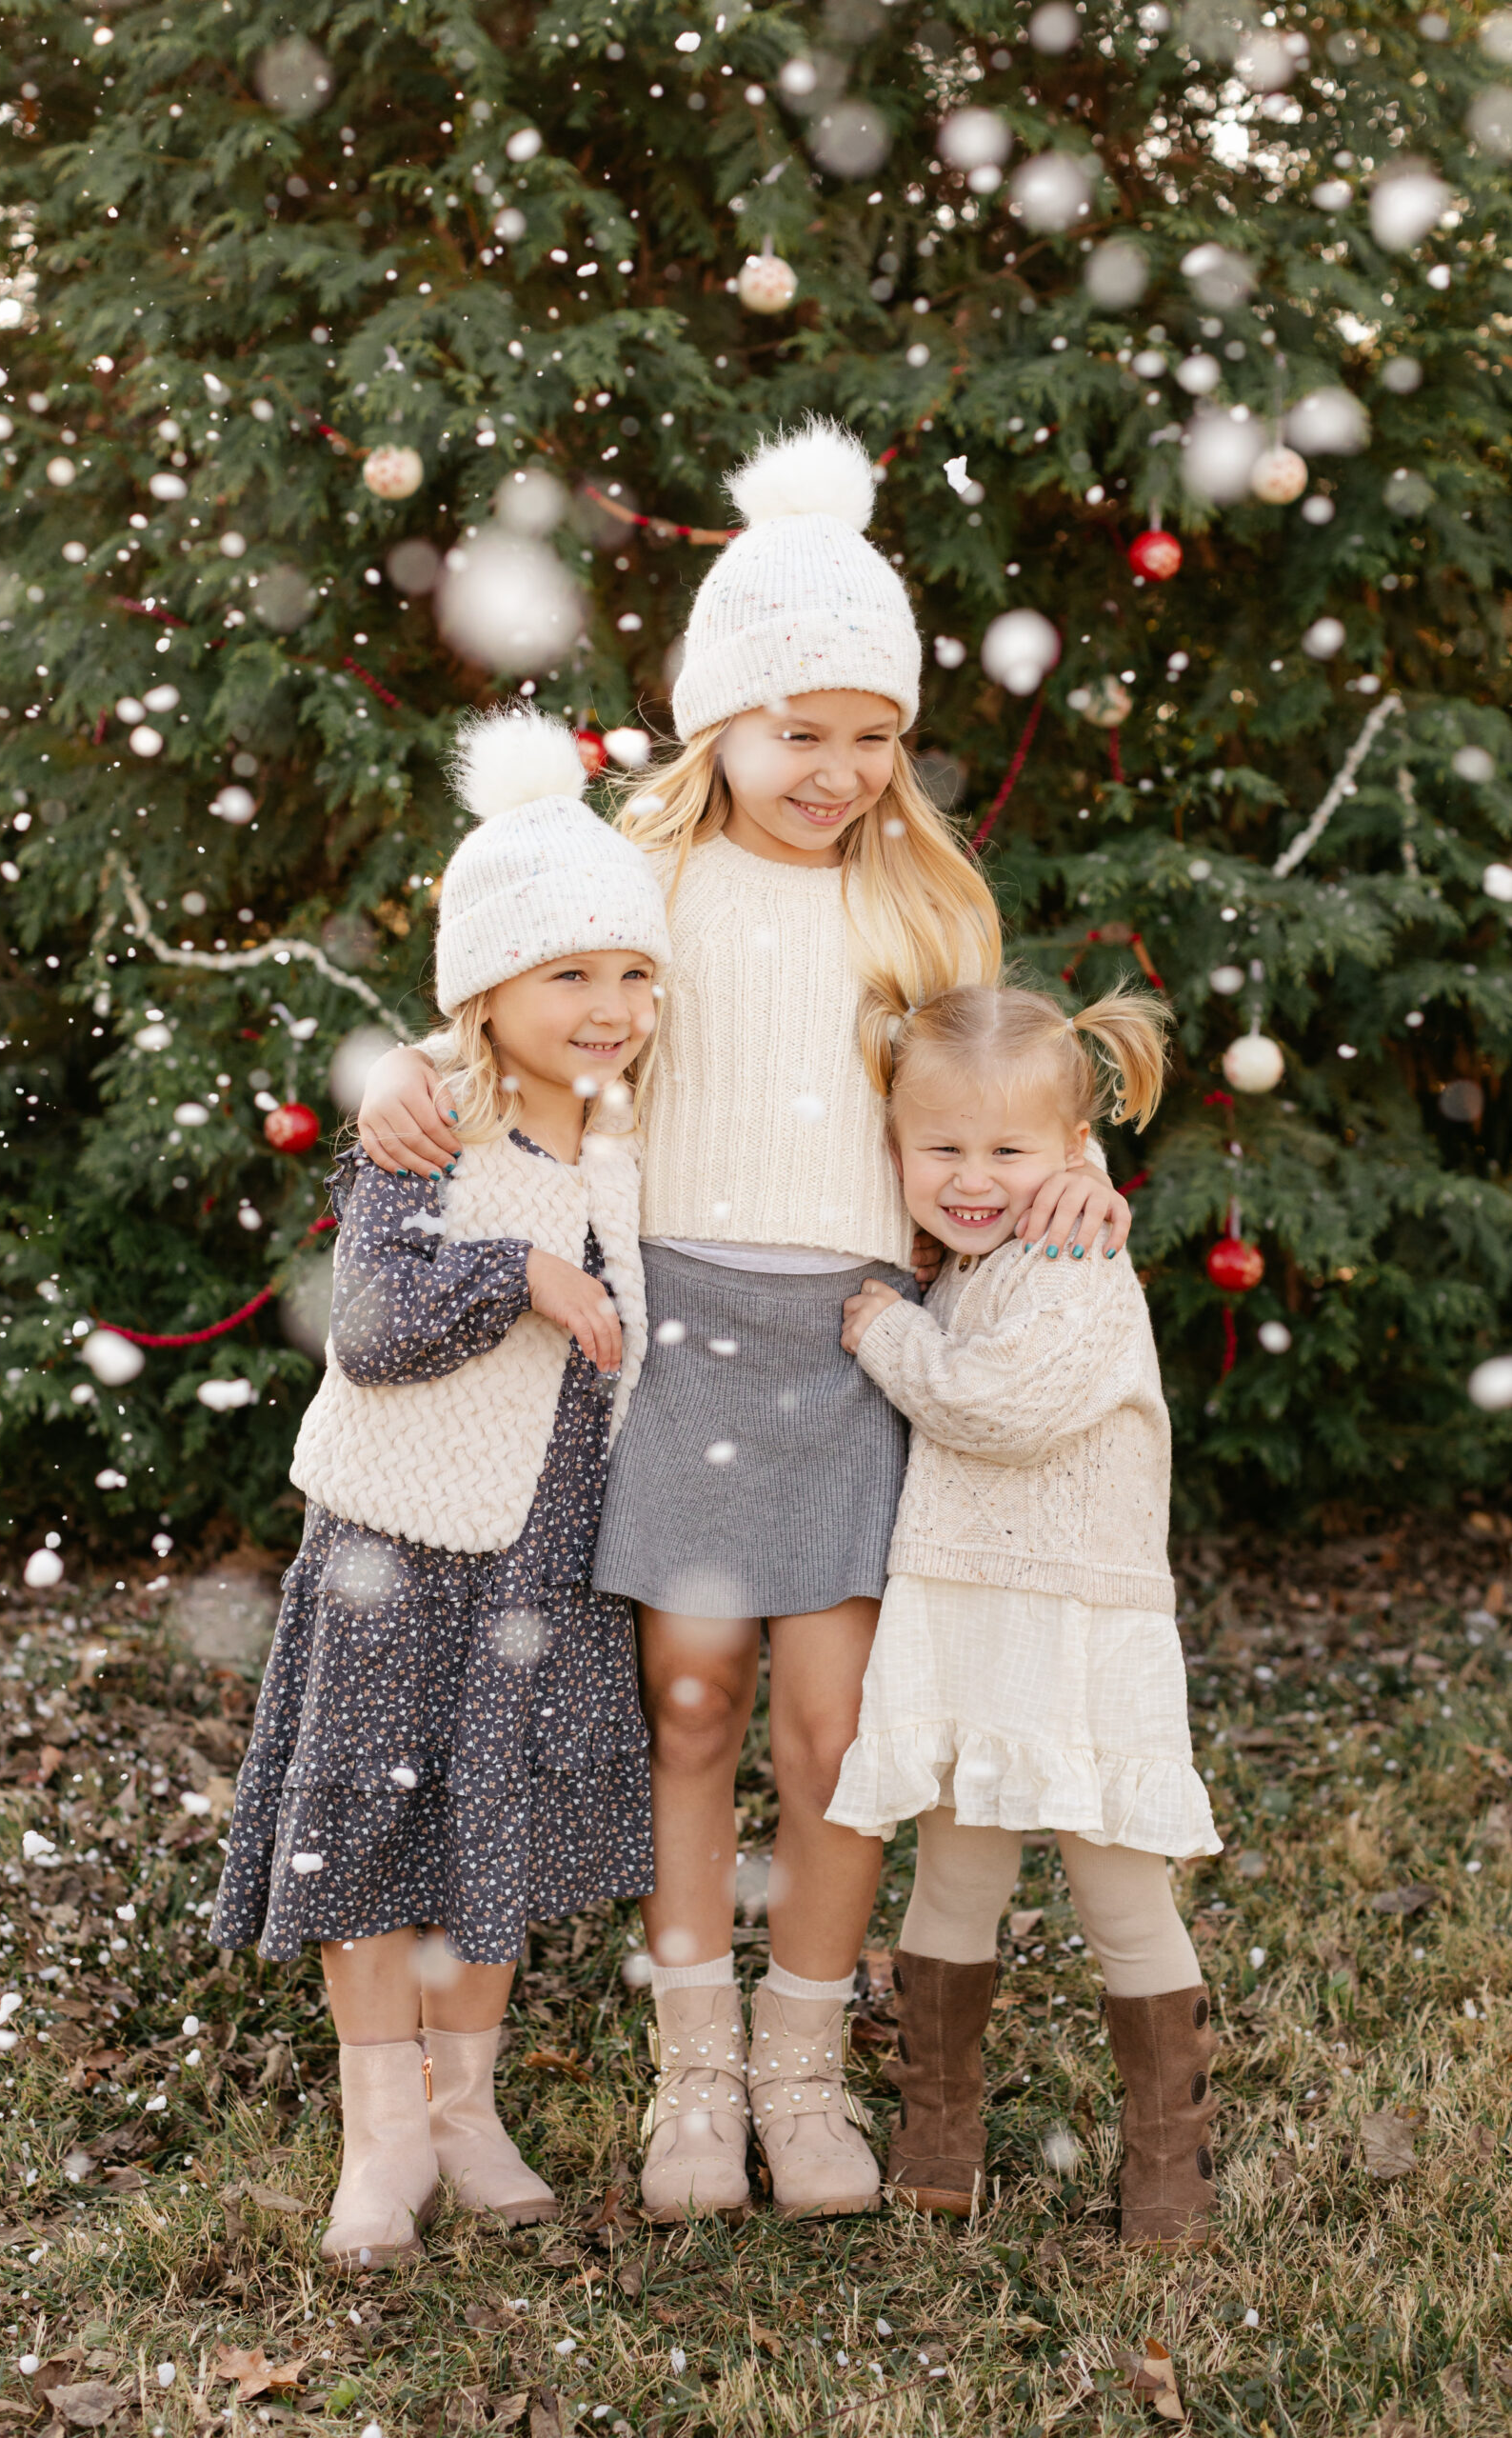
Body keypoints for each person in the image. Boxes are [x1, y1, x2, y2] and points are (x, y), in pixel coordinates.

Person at [354, 417, 1133, 2224]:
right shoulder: (654, 887)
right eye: (803, 731)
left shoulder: (923, 903)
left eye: (876, 736)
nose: (839, 770)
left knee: (835, 1726)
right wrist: (417, 1063)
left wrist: (1076, 1174)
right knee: (691, 1699)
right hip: (678, 1337)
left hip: (860, 1339)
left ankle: (803, 2066)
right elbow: (529, 1008)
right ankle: (689, 2074)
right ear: (721, 721)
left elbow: (988, 1106)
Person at [211, 707, 671, 2266]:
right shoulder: (431, 1123)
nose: (608, 1007)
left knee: (498, 1822)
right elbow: (383, 1323)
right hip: (398, 1543)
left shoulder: (631, 1132)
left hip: (548, 1550)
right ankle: (382, 2128)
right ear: (486, 989)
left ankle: (467, 2105)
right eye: (569, 974)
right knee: (367, 1821)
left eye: (630, 972)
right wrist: (525, 1268)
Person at [827, 980, 1223, 2247]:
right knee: (955, 1873)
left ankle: (1170, 2161)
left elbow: (992, 1410)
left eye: (1009, 1153)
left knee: (1118, 1886)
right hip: (970, 1613)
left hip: (1074, 1621)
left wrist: (885, 1335)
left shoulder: (1072, 1265)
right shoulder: (980, 1255)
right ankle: (940, 2128)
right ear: (895, 1146)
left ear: (1070, 1159)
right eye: (941, 1149)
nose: (972, 1177)